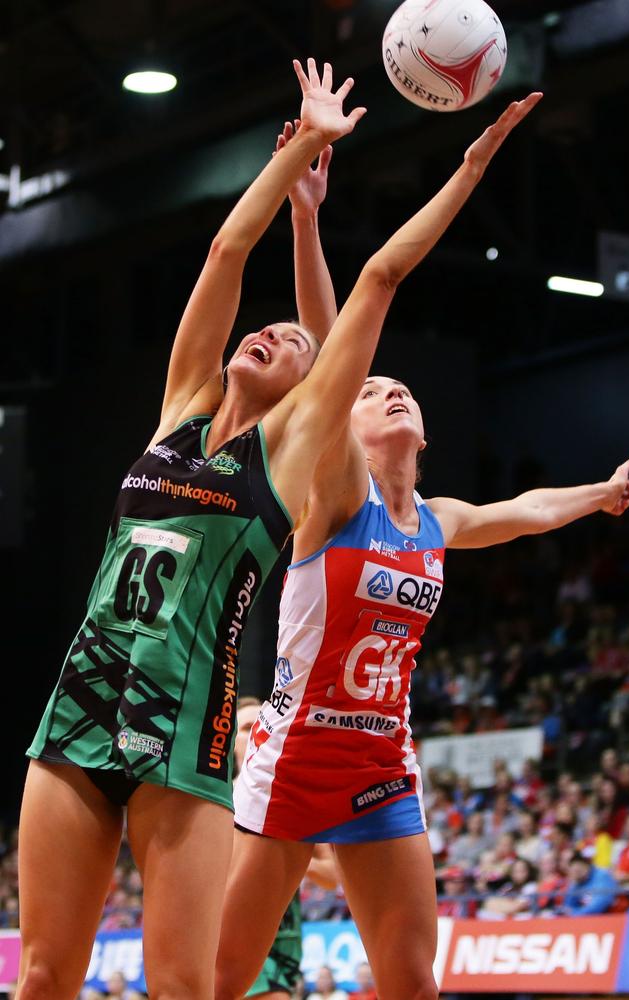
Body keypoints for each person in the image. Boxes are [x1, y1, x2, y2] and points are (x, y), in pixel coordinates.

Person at [15, 57, 370, 1000]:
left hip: (189, 737)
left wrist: (309, 217)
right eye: (266, 330)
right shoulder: (176, 410)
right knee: (45, 973)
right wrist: (289, 157)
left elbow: (338, 347)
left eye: (290, 345)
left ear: (306, 396)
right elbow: (222, 255)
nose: (272, 336)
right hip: (81, 705)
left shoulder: (287, 464)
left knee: (181, 987)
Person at [214, 90, 548, 1000]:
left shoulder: (435, 520)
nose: (386, 391)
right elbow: (335, 351)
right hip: (292, 764)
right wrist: (310, 220)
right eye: (370, 392)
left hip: (381, 770)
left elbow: (524, 508)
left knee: (413, 983)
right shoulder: (334, 492)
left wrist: (600, 494)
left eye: (402, 389)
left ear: (426, 434)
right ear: (341, 430)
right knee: (218, 983)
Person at [235, 699, 339, 1000]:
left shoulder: (294, 800)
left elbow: (332, 877)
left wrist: (284, 855)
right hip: (231, 934)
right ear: (232, 740)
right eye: (244, 727)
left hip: (282, 939)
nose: (254, 730)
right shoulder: (216, 801)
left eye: (260, 722)